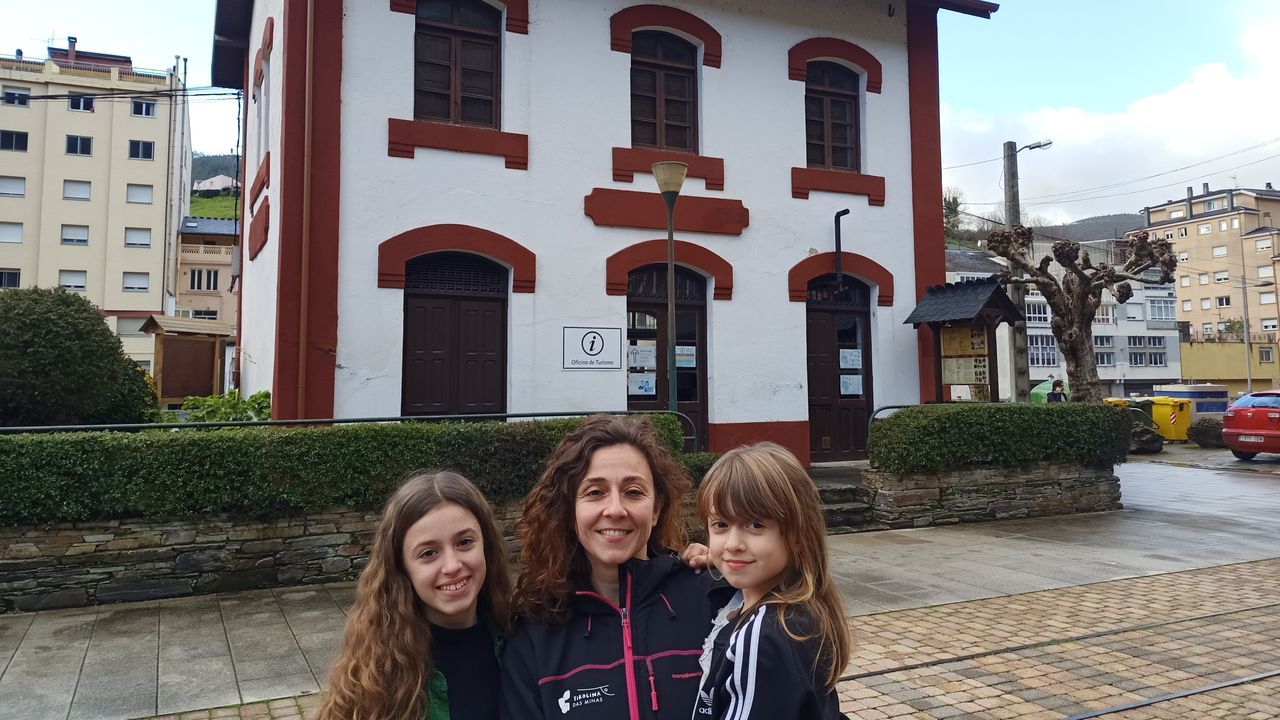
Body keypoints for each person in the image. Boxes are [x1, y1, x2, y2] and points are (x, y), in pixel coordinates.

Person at [499, 414, 728, 719]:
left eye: (633, 492)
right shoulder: (535, 633)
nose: (615, 510)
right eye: (595, 493)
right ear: (571, 511)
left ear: (656, 508)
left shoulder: (715, 601)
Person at [319, 471, 512, 720]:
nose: (452, 566)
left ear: (486, 546)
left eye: (464, 542)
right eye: (428, 553)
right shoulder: (378, 672)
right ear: (402, 568)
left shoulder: (521, 638)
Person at [691, 442, 851, 720]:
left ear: (798, 536)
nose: (733, 544)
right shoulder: (799, 613)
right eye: (720, 525)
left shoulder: (762, 635)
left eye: (755, 525)